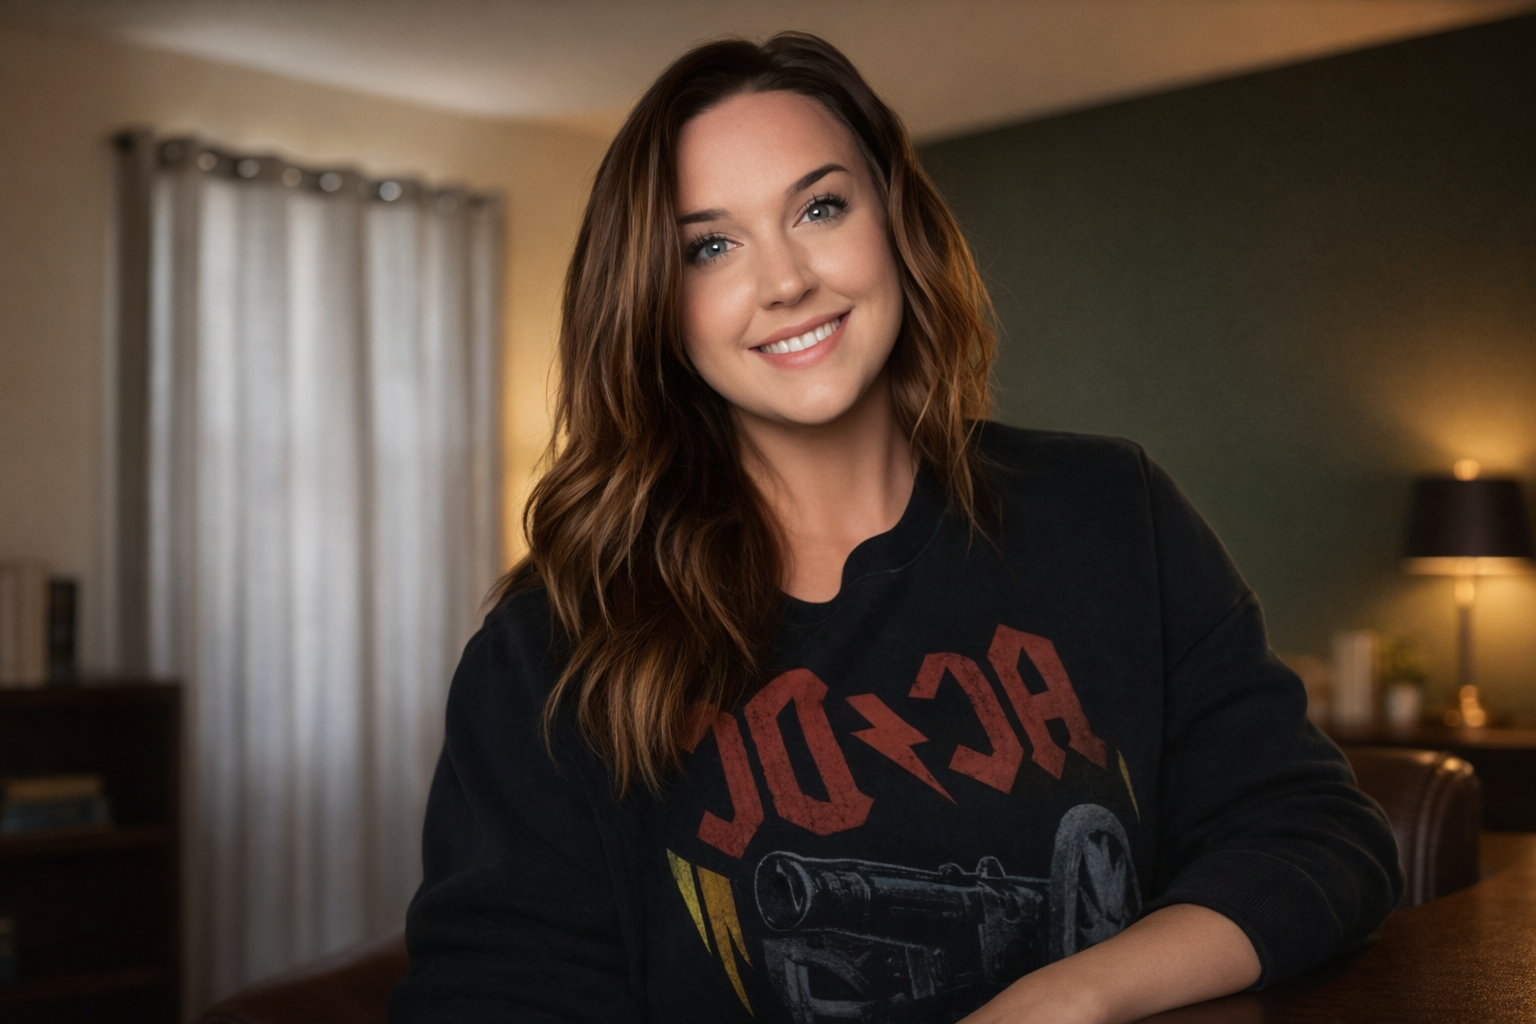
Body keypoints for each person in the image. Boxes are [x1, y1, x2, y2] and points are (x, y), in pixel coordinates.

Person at [389, 32, 1400, 1024]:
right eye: (711, 245)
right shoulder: (548, 645)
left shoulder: (1108, 510)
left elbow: (1314, 835)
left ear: (895, 224)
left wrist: (1073, 995)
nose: (785, 280)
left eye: (820, 207)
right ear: (657, 306)